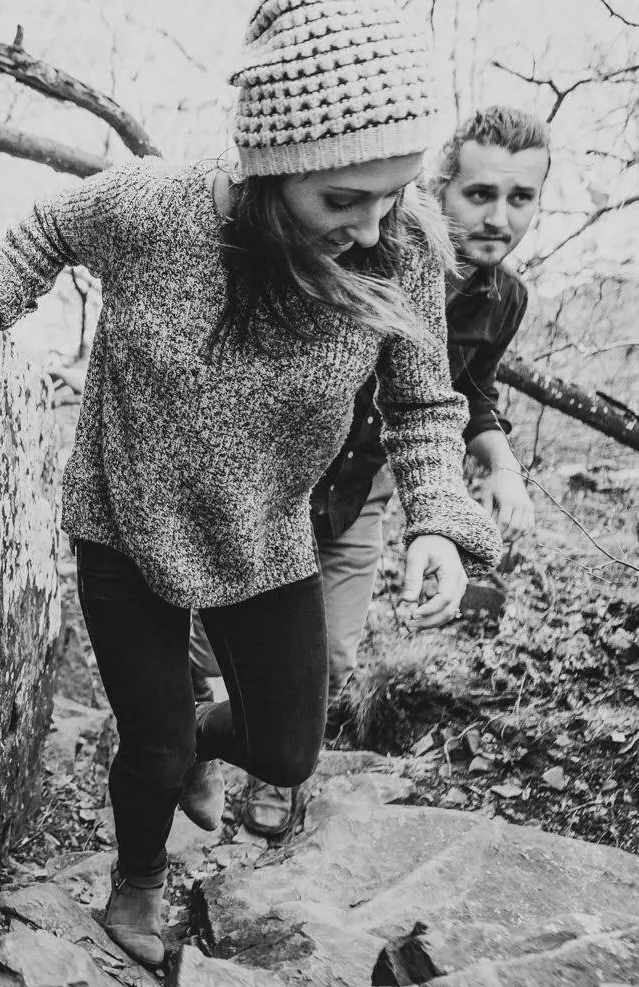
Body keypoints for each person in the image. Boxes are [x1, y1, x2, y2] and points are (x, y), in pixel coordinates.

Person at [0, 0, 500, 966]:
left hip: (265, 531)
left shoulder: (407, 243)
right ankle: (134, 888)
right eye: (343, 198)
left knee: (288, 749)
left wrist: (437, 520)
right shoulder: (159, 208)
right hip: (124, 523)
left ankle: (187, 740)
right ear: (273, 166)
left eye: (396, 190)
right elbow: (48, 226)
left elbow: (425, 402)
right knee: (154, 744)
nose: (372, 224)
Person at [228, 105, 551, 838]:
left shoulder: (506, 300)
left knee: (331, 655)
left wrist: (500, 464)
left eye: (521, 198)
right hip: (276, 474)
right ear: (437, 186)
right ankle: (184, 746)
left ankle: (273, 773)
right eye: (480, 194)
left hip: (362, 492)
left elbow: (466, 393)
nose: (500, 217)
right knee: (210, 637)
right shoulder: (365, 251)